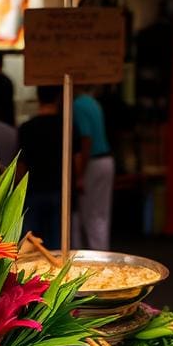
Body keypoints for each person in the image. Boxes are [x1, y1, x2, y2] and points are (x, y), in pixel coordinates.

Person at [18, 85, 65, 250]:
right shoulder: (66, 125)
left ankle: (35, 276)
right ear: (58, 98)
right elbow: (77, 159)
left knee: (31, 243)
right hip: (60, 189)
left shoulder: (27, 127)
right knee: (58, 242)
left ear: (38, 98)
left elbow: (21, 163)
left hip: (33, 189)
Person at [72, 87, 114, 251]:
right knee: (101, 215)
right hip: (106, 161)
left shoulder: (77, 105)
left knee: (91, 216)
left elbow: (86, 138)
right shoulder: (93, 103)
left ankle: (97, 260)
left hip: (93, 162)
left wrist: (80, 174)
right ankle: (102, 254)